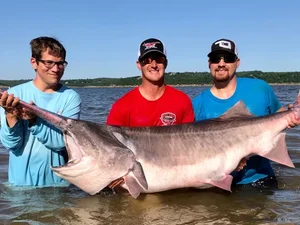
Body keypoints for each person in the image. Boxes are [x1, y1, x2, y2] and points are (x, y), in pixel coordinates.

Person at [192, 38, 296, 189]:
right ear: (209, 63)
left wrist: (292, 114)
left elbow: (280, 117)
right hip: (217, 185)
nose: (221, 64)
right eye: (216, 59)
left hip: (259, 180)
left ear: (237, 62)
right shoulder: (198, 104)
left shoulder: (260, 88)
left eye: (228, 59)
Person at [0, 36, 81, 187]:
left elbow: (62, 143)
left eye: (60, 63)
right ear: (34, 62)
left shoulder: (71, 98)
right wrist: (10, 116)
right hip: (20, 186)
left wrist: (34, 120)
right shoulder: (13, 95)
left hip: (57, 186)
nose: (56, 69)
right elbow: (11, 144)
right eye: (49, 62)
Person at [106, 38, 194, 126]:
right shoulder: (121, 106)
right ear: (139, 65)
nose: (154, 65)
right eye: (147, 60)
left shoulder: (183, 101)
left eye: (159, 59)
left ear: (166, 63)